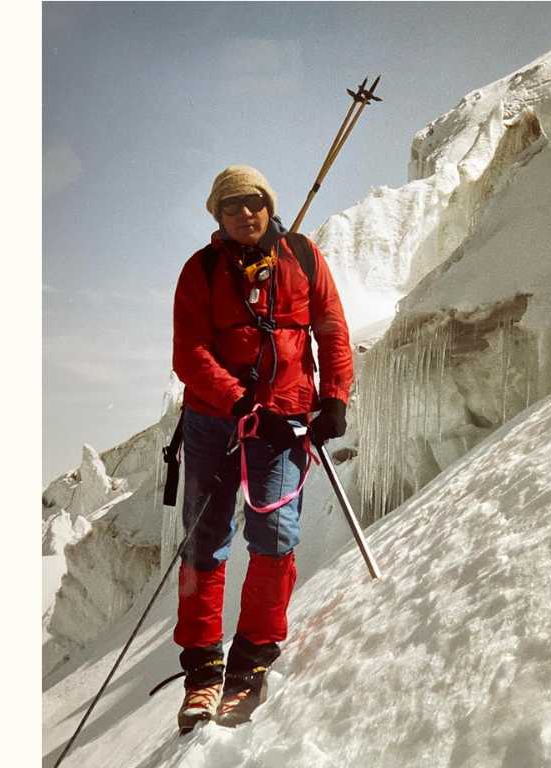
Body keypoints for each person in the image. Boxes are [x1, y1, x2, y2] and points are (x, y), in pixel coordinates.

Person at [170, 165, 353, 730]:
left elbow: (331, 327)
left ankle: (252, 659)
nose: (245, 214)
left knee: (274, 536)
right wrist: (241, 402)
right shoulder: (200, 271)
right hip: (214, 423)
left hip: (286, 423)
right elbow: (191, 353)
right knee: (206, 539)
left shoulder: (303, 257)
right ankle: (202, 671)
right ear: (218, 217)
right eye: (231, 207)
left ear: (268, 206)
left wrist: (335, 397)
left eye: (253, 203)